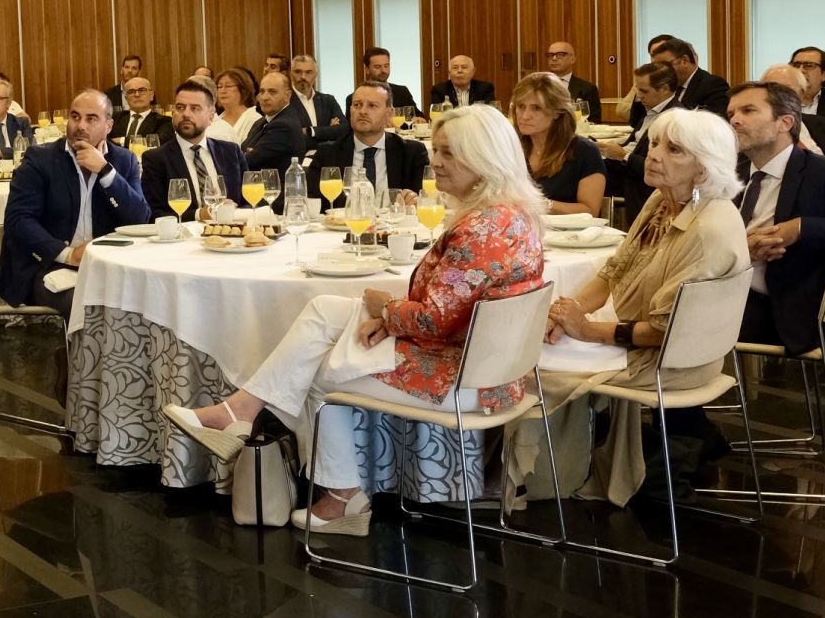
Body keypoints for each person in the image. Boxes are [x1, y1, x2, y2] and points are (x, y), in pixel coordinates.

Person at [164, 107, 546, 532]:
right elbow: (452, 305)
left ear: (485, 158)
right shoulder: (510, 215)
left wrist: (385, 309)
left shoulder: (483, 228)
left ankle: (342, 497)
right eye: (436, 150)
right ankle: (241, 410)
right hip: (487, 366)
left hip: (464, 378)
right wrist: (389, 317)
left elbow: (435, 320)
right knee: (327, 309)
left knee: (314, 371)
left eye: (449, 154)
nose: (435, 161)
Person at [515, 109, 750, 506]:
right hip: (642, 339)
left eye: (674, 150)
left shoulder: (708, 228)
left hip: (670, 360)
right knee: (530, 341)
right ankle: (566, 465)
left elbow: (664, 332)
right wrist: (569, 312)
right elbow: (614, 270)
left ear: (704, 169)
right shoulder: (664, 200)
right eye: (656, 143)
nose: (655, 155)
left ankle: (534, 480)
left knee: (527, 364)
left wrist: (586, 331)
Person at [727, 80, 825, 353]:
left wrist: (800, 228)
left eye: (748, 111)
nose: (735, 121)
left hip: (775, 303)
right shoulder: (731, 173)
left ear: (785, 122)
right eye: (731, 114)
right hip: (723, 287)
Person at [0, 90, 146, 318]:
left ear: (108, 125)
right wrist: (68, 255)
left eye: (91, 118)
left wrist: (106, 172)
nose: (80, 125)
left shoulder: (123, 160)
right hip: (47, 266)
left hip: (106, 266)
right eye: (75, 117)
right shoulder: (40, 158)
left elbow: (139, 220)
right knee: (91, 306)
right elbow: (18, 221)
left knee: (147, 300)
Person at [307, 82, 428, 204]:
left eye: (372, 106)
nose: (363, 111)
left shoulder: (411, 153)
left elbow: (425, 200)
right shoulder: (328, 154)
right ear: (350, 110)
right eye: (357, 105)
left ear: (389, 114)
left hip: (394, 221)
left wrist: (414, 200)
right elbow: (312, 205)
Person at [141, 79, 245, 219]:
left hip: (230, 234)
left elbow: (250, 202)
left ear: (211, 115)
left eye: (195, 108)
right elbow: (155, 214)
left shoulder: (231, 152)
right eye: (180, 107)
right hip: (184, 238)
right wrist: (200, 214)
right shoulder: (156, 159)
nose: (186, 114)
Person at [511, 72, 606, 216]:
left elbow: (590, 211)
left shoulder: (584, 151)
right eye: (521, 106)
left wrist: (541, 204)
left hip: (570, 235)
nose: (524, 116)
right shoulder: (511, 147)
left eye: (536, 108)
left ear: (557, 112)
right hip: (519, 231)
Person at [599, 62, 680, 217]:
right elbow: (634, 144)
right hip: (627, 171)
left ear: (664, 89)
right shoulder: (652, 110)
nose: (639, 96)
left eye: (644, 91)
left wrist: (623, 155)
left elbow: (663, 169)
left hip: (642, 184)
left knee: (582, 174)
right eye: (637, 90)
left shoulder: (674, 119)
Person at [242, 70, 311, 176]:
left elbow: (247, 161)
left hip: (274, 190)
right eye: (262, 91)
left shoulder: (284, 125)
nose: (264, 97)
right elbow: (242, 152)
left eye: (272, 92)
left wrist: (248, 153)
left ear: (287, 96)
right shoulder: (260, 122)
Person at [651, 37, 730, 115]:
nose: (662, 72)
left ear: (684, 60)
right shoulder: (668, 88)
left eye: (665, 66)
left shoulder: (713, 84)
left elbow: (716, 120)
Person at [288, 54, 346, 146]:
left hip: (327, 158)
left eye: (308, 72)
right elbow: (291, 138)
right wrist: (328, 132)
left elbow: (344, 129)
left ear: (316, 74)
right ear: (291, 74)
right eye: (298, 72)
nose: (303, 76)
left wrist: (310, 131)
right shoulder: (284, 101)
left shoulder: (328, 100)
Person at [546, 41, 604, 123]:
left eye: (560, 55)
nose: (554, 58)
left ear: (572, 59)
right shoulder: (538, 86)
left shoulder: (587, 89)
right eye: (550, 55)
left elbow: (594, 121)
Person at [204, 67, 260, 146]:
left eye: (228, 86)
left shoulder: (254, 119)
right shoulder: (214, 119)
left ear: (243, 89)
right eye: (219, 87)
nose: (223, 91)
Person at [111, 76, 171, 148]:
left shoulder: (163, 121)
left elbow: (158, 141)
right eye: (131, 92)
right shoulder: (115, 118)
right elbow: (104, 139)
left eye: (142, 90)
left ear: (151, 95)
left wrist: (122, 140)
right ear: (126, 98)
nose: (137, 95)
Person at [362, 46, 420, 118]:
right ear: (367, 69)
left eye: (386, 66)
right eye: (377, 67)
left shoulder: (402, 92)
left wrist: (419, 120)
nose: (383, 70)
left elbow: (417, 116)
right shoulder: (356, 97)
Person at [428, 54, 495, 111]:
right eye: (455, 68)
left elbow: (490, 113)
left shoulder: (485, 88)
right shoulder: (439, 90)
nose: (460, 71)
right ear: (449, 73)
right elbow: (437, 115)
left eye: (464, 67)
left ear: (473, 72)